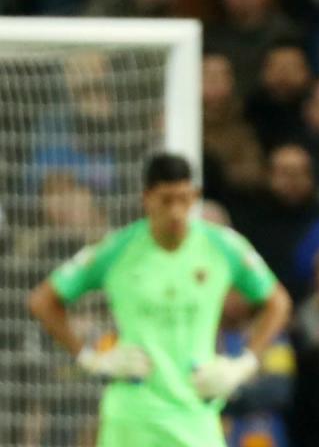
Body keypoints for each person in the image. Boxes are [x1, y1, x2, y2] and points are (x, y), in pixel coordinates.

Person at [26, 153, 292, 447]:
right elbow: (43, 300)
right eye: (166, 200)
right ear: (147, 198)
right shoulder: (118, 248)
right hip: (132, 415)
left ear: (195, 197)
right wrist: (91, 359)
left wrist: (244, 365)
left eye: (184, 199)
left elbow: (278, 302)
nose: (176, 211)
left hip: (195, 412)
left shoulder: (223, 246)